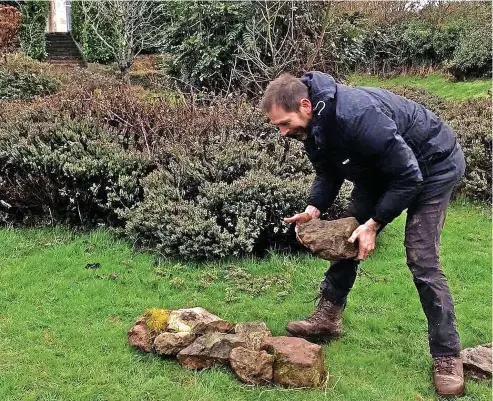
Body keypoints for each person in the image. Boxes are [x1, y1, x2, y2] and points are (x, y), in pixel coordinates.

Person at [260, 72, 466, 397]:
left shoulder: (356, 115)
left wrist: (374, 224)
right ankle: (328, 318)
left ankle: (447, 355)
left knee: (421, 257)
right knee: (348, 233)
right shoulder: (312, 126)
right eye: (278, 127)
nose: (283, 132)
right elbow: (327, 171)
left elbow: (409, 177)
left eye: (284, 123)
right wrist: (314, 208)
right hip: (383, 168)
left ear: (305, 105)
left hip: (432, 165)